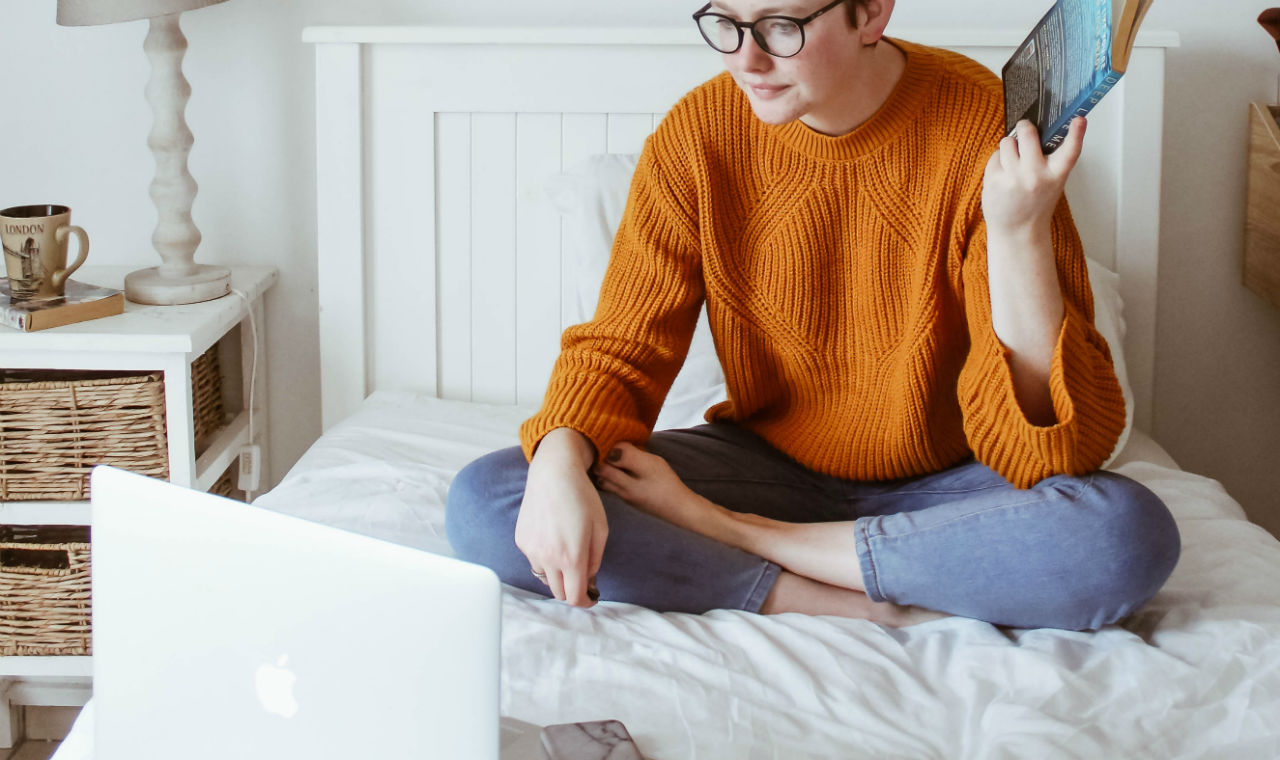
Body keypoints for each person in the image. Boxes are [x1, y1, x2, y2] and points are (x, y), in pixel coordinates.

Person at [446, 0, 1181, 630]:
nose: (747, 59)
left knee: (1123, 535)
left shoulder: (980, 124)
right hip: (770, 462)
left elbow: (1050, 453)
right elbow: (621, 348)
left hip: (954, 480)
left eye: (781, 27)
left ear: (872, 11)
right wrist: (560, 459)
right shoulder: (697, 136)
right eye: (726, 23)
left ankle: (753, 543)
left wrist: (1018, 230)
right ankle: (822, 591)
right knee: (492, 499)